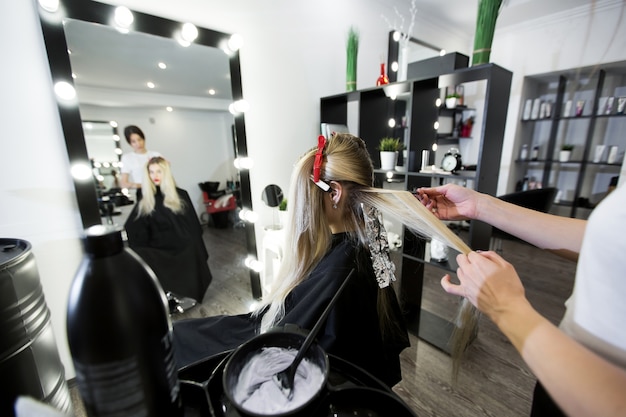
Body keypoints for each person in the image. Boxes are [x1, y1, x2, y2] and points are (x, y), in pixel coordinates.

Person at [172, 133, 471, 387]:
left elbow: (294, 347)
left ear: (335, 193)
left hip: (292, 356)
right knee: (184, 336)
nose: (303, 208)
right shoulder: (353, 253)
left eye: (307, 194)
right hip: (281, 336)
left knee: (181, 345)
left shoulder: (341, 270)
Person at [417, 183, 626, 417]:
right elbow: (604, 238)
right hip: (558, 367)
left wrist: (506, 307)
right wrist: (479, 206)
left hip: (587, 395)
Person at [124, 157, 212, 302]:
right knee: (140, 253)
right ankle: (160, 297)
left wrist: (190, 241)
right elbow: (133, 226)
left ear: (166, 172)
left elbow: (193, 225)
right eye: (151, 172)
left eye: (159, 171)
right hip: (156, 244)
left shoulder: (181, 194)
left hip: (181, 242)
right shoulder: (146, 198)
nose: (155, 176)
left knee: (193, 248)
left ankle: (185, 294)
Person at [120, 125, 161, 190]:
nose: (138, 144)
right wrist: (144, 185)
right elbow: (124, 183)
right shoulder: (127, 158)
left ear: (143, 138)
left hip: (159, 190)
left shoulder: (156, 155)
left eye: (139, 139)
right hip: (142, 192)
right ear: (129, 143)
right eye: (134, 141)